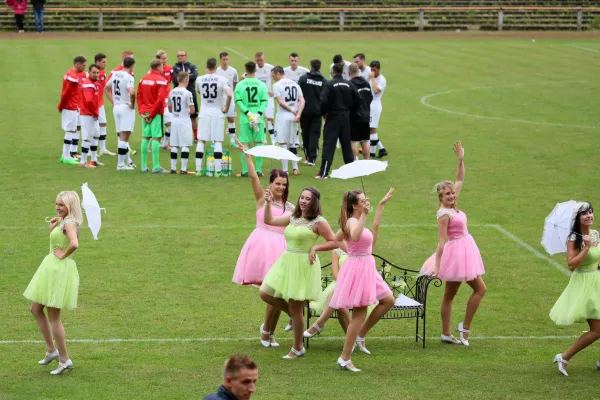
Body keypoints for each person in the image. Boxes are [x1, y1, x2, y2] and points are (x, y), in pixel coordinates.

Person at [260, 186, 338, 359]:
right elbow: (269, 220)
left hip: (303, 265)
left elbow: (335, 241)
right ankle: (295, 319)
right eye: (301, 197)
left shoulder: (318, 221)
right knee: (265, 293)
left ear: (314, 202)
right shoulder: (293, 216)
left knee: (296, 308)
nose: (303, 201)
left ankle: (297, 347)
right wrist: (267, 203)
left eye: (307, 199)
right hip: (287, 261)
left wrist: (316, 247)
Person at [421, 141, 486, 346]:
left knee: (471, 291)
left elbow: (460, 178)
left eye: (452, 193)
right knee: (461, 293)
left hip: (466, 249)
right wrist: (438, 265)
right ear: (441, 197)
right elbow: (441, 242)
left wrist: (460, 159)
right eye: (448, 194)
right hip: (456, 254)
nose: (452, 195)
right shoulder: (444, 214)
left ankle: (452, 331)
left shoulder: (454, 205)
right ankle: (457, 330)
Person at [233, 143, 293, 347]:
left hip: (281, 249)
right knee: (270, 292)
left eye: (284, 184)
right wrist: (248, 156)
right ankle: (290, 317)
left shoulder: (289, 206)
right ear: (270, 183)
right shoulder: (261, 197)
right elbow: (253, 177)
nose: (281, 187)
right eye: (278, 183)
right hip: (262, 247)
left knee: (277, 292)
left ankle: (268, 332)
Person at [329, 189, 395, 372]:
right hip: (358, 269)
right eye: (363, 201)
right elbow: (354, 236)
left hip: (367, 267)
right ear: (355, 205)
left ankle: (360, 335)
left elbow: (337, 238)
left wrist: (381, 205)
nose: (367, 203)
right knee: (359, 313)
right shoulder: (351, 221)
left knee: (388, 300)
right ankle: (345, 357)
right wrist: (351, 251)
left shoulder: (357, 221)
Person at [23, 191, 83, 375]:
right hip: (51, 268)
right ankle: (51, 351)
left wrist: (63, 255)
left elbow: (74, 243)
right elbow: (61, 238)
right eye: (57, 203)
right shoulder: (65, 222)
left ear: (70, 206)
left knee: (54, 317)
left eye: (61, 205)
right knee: (35, 308)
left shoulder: (70, 224)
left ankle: (64, 359)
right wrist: (55, 226)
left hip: (57, 270)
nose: (57, 207)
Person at [549, 202, 600, 376]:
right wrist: (586, 248)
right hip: (585, 285)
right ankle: (564, 356)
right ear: (578, 218)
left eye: (591, 212)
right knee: (597, 330)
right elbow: (571, 265)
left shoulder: (595, 234)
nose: (590, 216)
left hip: (597, 280)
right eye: (585, 214)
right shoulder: (574, 239)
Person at [315, 63, 360, 179]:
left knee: (329, 144)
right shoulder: (349, 84)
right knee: (346, 145)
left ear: (333, 71)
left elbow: (323, 101)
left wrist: (324, 113)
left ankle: (324, 172)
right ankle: (351, 172)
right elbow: (358, 99)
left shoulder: (330, 84)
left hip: (333, 117)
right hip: (345, 117)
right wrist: (350, 110)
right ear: (342, 72)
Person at [195, 58, 232, 177]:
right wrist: (226, 107)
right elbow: (230, 94)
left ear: (206, 66)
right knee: (217, 141)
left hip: (204, 112)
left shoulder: (199, 79)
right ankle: (217, 171)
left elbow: (199, 92)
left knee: (201, 140)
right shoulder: (222, 79)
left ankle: (198, 170)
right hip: (217, 113)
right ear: (216, 67)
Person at [304, 247, 352, 338]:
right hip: (339, 284)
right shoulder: (337, 249)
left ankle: (319, 324)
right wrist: (343, 285)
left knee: (338, 298)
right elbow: (335, 274)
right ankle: (353, 339)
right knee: (340, 304)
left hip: (357, 286)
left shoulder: (359, 246)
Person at [234, 61, 268, 177]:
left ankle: (245, 171)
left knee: (245, 144)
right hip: (259, 119)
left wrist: (248, 113)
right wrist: (257, 114)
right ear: (255, 70)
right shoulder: (262, 85)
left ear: (245, 70)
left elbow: (238, 102)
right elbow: (264, 102)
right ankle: (258, 170)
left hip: (245, 118)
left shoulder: (240, 85)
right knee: (258, 143)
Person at [137, 59, 170, 173]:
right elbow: (160, 100)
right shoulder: (161, 81)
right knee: (156, 138)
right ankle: (156, 167)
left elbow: (139, 96)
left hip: (145, 113)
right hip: (155, 113)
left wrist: (142, 112)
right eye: (162, 67)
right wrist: (152, 113)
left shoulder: (143, 79)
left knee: (146, 137)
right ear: (158, 67)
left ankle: (143, 166)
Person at [271, 66, 305, 175]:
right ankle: (295, 168)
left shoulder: (276, 85)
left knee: (283, 142)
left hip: (283, 116)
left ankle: (285, 170)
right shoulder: (295, 84)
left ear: (277, 74)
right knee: (293, 142)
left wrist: (291, 110)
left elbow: (280, 102)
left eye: (273, 76)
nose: (273, 78)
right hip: (294, 117)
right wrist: (298, 113)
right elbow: (302, 100)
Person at [104, 56, 136, 170]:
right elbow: (132, 93)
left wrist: (113, 101)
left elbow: (106, 89)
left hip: (116, 107)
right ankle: (121, 165)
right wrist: (132, 105)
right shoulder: (129, 77)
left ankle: (127, 162)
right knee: (124, 137)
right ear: (132, 66)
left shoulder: (115, 74)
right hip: (125, 108)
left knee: (120, 136)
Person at [57, 56, 86, 165]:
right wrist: (61, 106)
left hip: (74, 106)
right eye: (83, 65)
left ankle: (67, 155)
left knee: (72, 130)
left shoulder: (71, 73)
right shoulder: (72, 76)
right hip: (70, 107)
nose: (84, 67)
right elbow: (66, 93)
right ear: (77, 64)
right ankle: (65, 156)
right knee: (70, 130)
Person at [298, 59, 326, 166]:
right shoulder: (323, 81)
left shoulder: (303, 79)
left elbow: (298, 94)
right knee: (314, 134)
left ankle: (307, 156)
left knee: (305, 133)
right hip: (317, 112)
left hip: (304, 111)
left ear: (311, 66)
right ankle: (312, 159)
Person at [167, 72, 196, 175]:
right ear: (185, 80)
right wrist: (187, 111)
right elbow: (192, 110)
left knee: (174, 145)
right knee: (185, 145)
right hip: (184, 121)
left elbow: (169, 109)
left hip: (174, 120)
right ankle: (183, 169)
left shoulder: (172, 92)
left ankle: (173, 168)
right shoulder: (188, 93)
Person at [172, 50, 199, 140]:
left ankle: (195, 136)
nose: (180, 57)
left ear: (186, 56)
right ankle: (178, 135)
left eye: (182, 55)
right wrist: (188, 75)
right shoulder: (175, 67)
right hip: (179, 94)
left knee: (193, 116)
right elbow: (175, 80)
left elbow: (195, 76)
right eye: (178, 55)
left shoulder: (192, 66)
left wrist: (182, 76)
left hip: (191, 93)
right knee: (178, 115)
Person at [78, 64, 102, 169]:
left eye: (97, 72)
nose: (96, 74)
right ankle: (83, 161)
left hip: (93, 113)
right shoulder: (88, 84)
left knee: (96, 134)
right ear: (89, 72)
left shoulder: (95, 83)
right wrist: (95, 113)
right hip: (88, 114)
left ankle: (94, 159)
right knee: (87, 137)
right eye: (94, 72)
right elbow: (89, 101)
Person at [348, 63, 372, 160]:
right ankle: (368, 161)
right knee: (365, 142)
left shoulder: (350, 85)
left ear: (349, 73)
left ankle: (354, 161)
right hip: (366, 115)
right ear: (358, 71)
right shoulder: (366, 83)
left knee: (353, 141)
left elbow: (349, 101)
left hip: (355, 116)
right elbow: (370, 98)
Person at [94, 53, 115, 157]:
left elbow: (105, 89)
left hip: (100, 103)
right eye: (103, 62)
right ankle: (90, 150)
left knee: (103, 124)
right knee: (93, 126)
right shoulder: (94, 73)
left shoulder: (102, 72)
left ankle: (102, 149)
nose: (105, 64)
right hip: (93, 104)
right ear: (97, 62)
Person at [216, 52, 239, 146]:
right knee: (218, 119)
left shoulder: (233, 71)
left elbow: (234, 84)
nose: (225, 61)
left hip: (230, 97)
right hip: (220, 98)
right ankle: (216, 140)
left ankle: (233, 139)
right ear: (220, 60)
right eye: (223, 59)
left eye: (226, 59)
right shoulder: (217, 71)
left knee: (231, 119)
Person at [251, 52, 275, 144]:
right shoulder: (254, 69)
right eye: (257, 60)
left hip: (268, 97)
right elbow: (243, 77)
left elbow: (278, 76)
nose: (259, 62)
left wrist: (273, 90)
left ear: (264, 59)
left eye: (261, 60)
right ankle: (263, 137)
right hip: (257, 98)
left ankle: (273, 139)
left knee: (270, 118)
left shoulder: (270, 68)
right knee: (260, 118)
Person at [369, 61, 388, 159]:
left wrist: (372, 78)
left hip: (375, 106)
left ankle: (372, 153)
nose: (372, 72)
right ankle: (381, 150)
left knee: (372, 129)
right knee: (370, 129)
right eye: (371, 69)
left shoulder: (382, 79)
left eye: (374, 70)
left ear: (379, 69)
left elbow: (376, 91)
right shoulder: (372, 77)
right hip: (369, 105)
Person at [156, 50, 174, 150]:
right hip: (157, 100)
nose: (165, 60)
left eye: (166, 58)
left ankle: (165, 144)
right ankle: (150, 145)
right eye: (163, 58)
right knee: (155, 123)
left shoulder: (169, 69)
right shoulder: (154, 71)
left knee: (171, 123)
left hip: (167, 99)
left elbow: (170, 81)